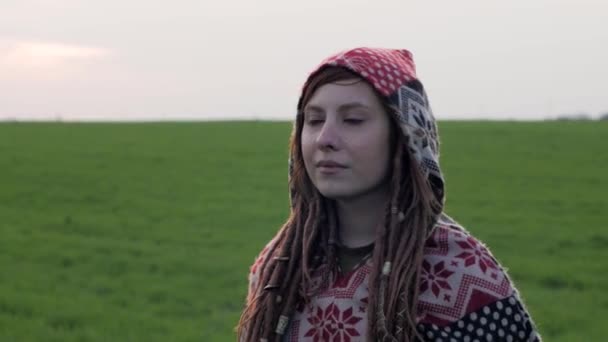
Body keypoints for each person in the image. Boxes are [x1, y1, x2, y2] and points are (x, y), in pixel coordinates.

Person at [237, 47, 542, 342]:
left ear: (405, 137)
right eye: (314, 120)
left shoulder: (461, 272)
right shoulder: (280, 268)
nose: (324, 139)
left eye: (353, 120)